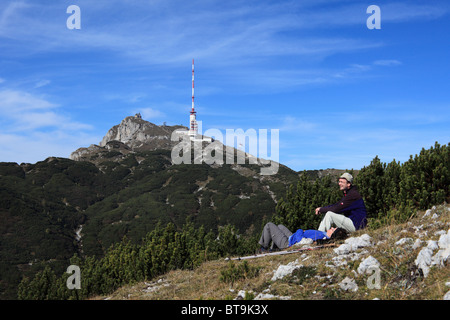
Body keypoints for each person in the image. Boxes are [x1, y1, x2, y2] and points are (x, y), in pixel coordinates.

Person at [258, 222, 345, 251]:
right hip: (292, 237)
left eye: (333, 229)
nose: (332, 227)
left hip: (288, 243)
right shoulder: (322, 234)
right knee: (280, 226)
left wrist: (300, 230)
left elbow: (302, 240)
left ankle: (264, 249)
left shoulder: (320, 235)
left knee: (269, 225)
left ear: (332, 234)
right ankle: (273, 250)